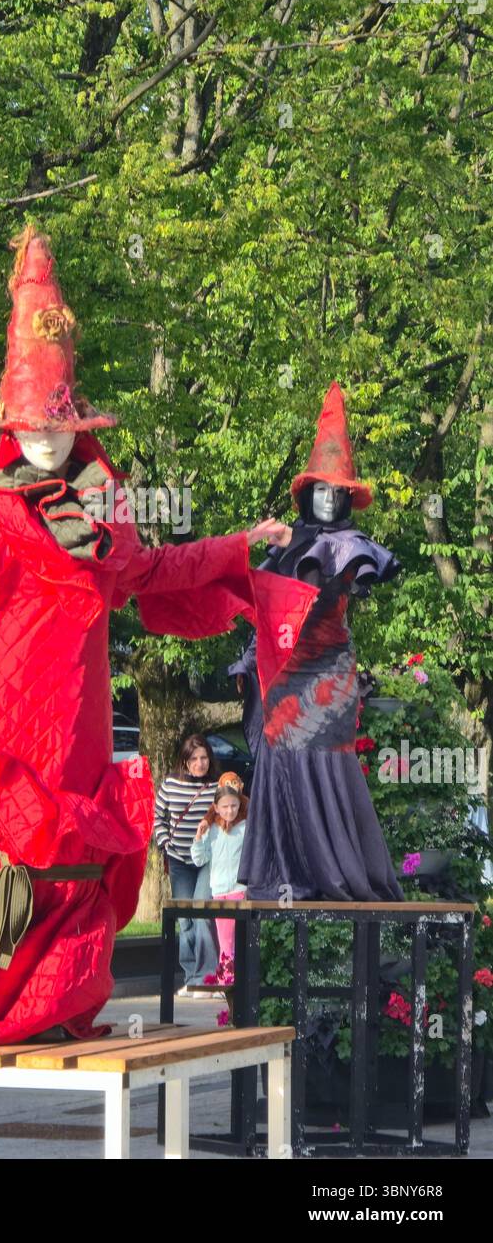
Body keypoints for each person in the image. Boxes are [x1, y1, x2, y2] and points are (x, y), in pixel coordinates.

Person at [0, 224, 301, 1049]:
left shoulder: (105, 510)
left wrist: (237, 546)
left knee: (74, 851)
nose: (44, 440)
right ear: (8, 429)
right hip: (8, 714)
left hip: (83, 716)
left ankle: (55, 996)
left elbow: (156, 572)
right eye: (30, 428)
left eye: (56, 428)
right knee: (11, 841)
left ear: (79, 429)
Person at [230, 382, 405, 903]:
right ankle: (288, 875)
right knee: (281, 762)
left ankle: (337, 874)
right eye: (320, 490)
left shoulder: (349, 546)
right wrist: (246, 663)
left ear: (348, 498)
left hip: (326, 674)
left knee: (323, 762)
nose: (329, 498)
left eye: (337, 491)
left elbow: (327, 585)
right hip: (285, 676)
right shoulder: (285, 545)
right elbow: (265, 616)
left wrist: (295, 541)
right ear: (307, 494)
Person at [154, 734, 221, 993]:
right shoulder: (171, 784)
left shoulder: (216, 786)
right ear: (184, 761)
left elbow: (230, 815)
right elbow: (158, 816)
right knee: (185, 919)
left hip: (206, 860)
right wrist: (165, 843)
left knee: (202, 911)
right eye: (194, 758)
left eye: (204, 758)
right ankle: (191, 976)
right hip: (179, 860)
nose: (200, 763)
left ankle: (208, 976)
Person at [191, 772, 248, 977]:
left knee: (234, 938)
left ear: (240, 804)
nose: (229, 811)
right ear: (216, 808)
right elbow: (200, 859)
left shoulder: (245, 827)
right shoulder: (212, 829)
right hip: (219, 891)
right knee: (225, 939)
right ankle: (229, 978)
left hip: (239, 890)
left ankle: (231, 978)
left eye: (233, 806)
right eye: (224, 807)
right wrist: (199, 838)